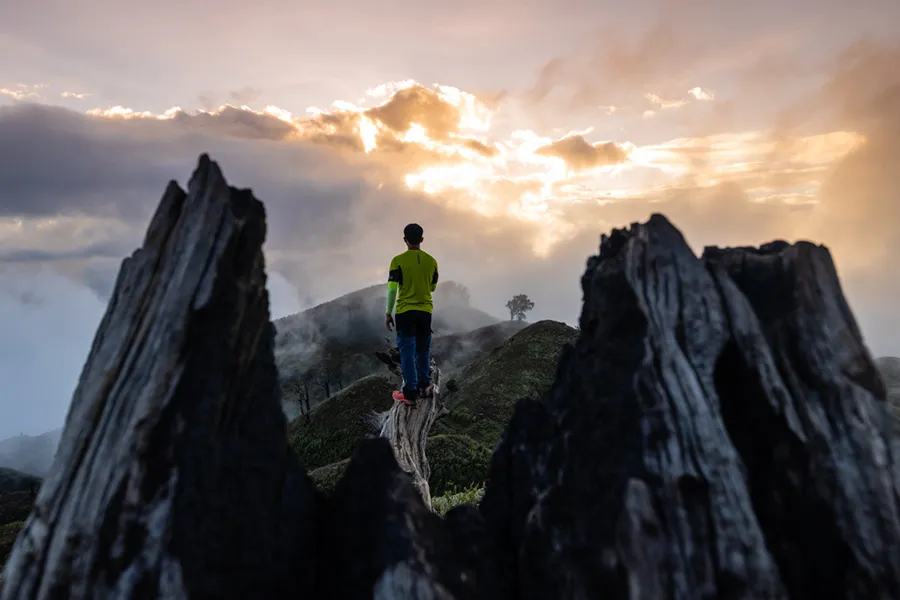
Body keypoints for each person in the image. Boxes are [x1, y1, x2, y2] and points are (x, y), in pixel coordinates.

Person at [385, 223, 439, 406]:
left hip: (404, 312)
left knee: (407, 352)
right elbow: (432, 286)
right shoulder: (431, 261)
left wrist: (387, 312)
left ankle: (409, 393)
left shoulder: (397, 261)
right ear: (422, 239)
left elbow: (392, 290)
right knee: (423, 350)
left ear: (404, 239)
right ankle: (425, 386)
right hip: (425, 311)